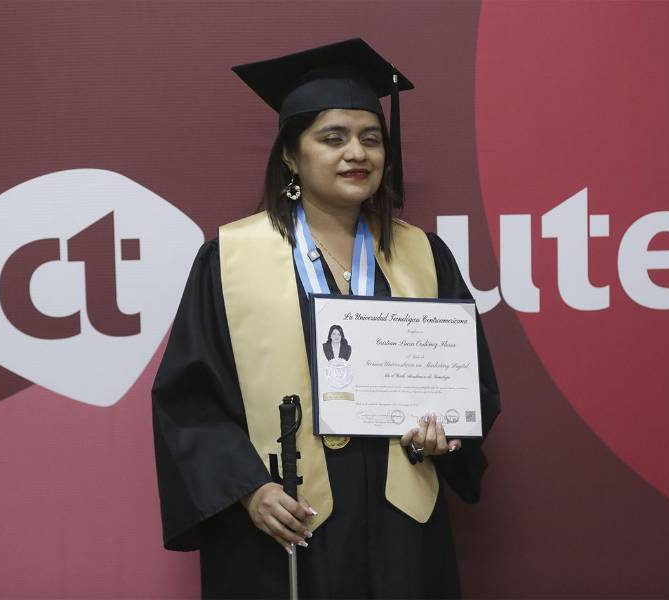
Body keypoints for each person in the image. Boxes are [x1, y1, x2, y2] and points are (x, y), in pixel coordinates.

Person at [152, 38, 500, 599]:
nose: (356, 154)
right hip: (284, 516)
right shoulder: (231, 259)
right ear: (291, 155)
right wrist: (249, 491)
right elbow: (189, 401)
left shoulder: (425, 257)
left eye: (371, 139)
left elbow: (471, 384)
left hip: (399, 526)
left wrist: (444, 436)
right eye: (332, 138)